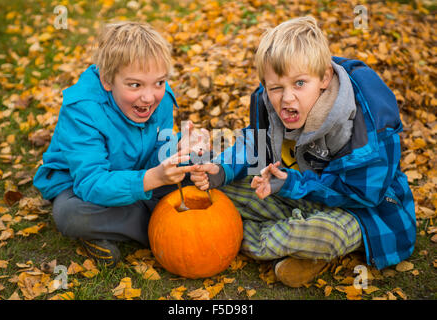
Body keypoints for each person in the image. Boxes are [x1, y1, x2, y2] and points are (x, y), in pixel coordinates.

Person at [191, 16, 416, 287]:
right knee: (215, 191)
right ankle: (299, 249)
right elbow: (254, 143)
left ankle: (252, 237)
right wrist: (222, 169)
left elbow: (362, 194)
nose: (287, 98)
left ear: (324, 78)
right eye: (276, 88)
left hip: (359, 211)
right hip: (293, 192)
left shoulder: (362, 125)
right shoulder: (271, 104)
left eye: (299, 84)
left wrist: (291, 184)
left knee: (326, 234)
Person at [33, 21, 197, 267]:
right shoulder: (82, 110)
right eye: (135, 85)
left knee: (200, 163)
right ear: (107, 81)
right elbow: (90, 183)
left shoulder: (158, 98)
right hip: (83, 188)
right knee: (70, 216)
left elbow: (157, 151)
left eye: (159, 82)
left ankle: (127, 225)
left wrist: (179, 149)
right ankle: (161, 225)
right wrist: (154, 178)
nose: (149, 96)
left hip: (141, 173)